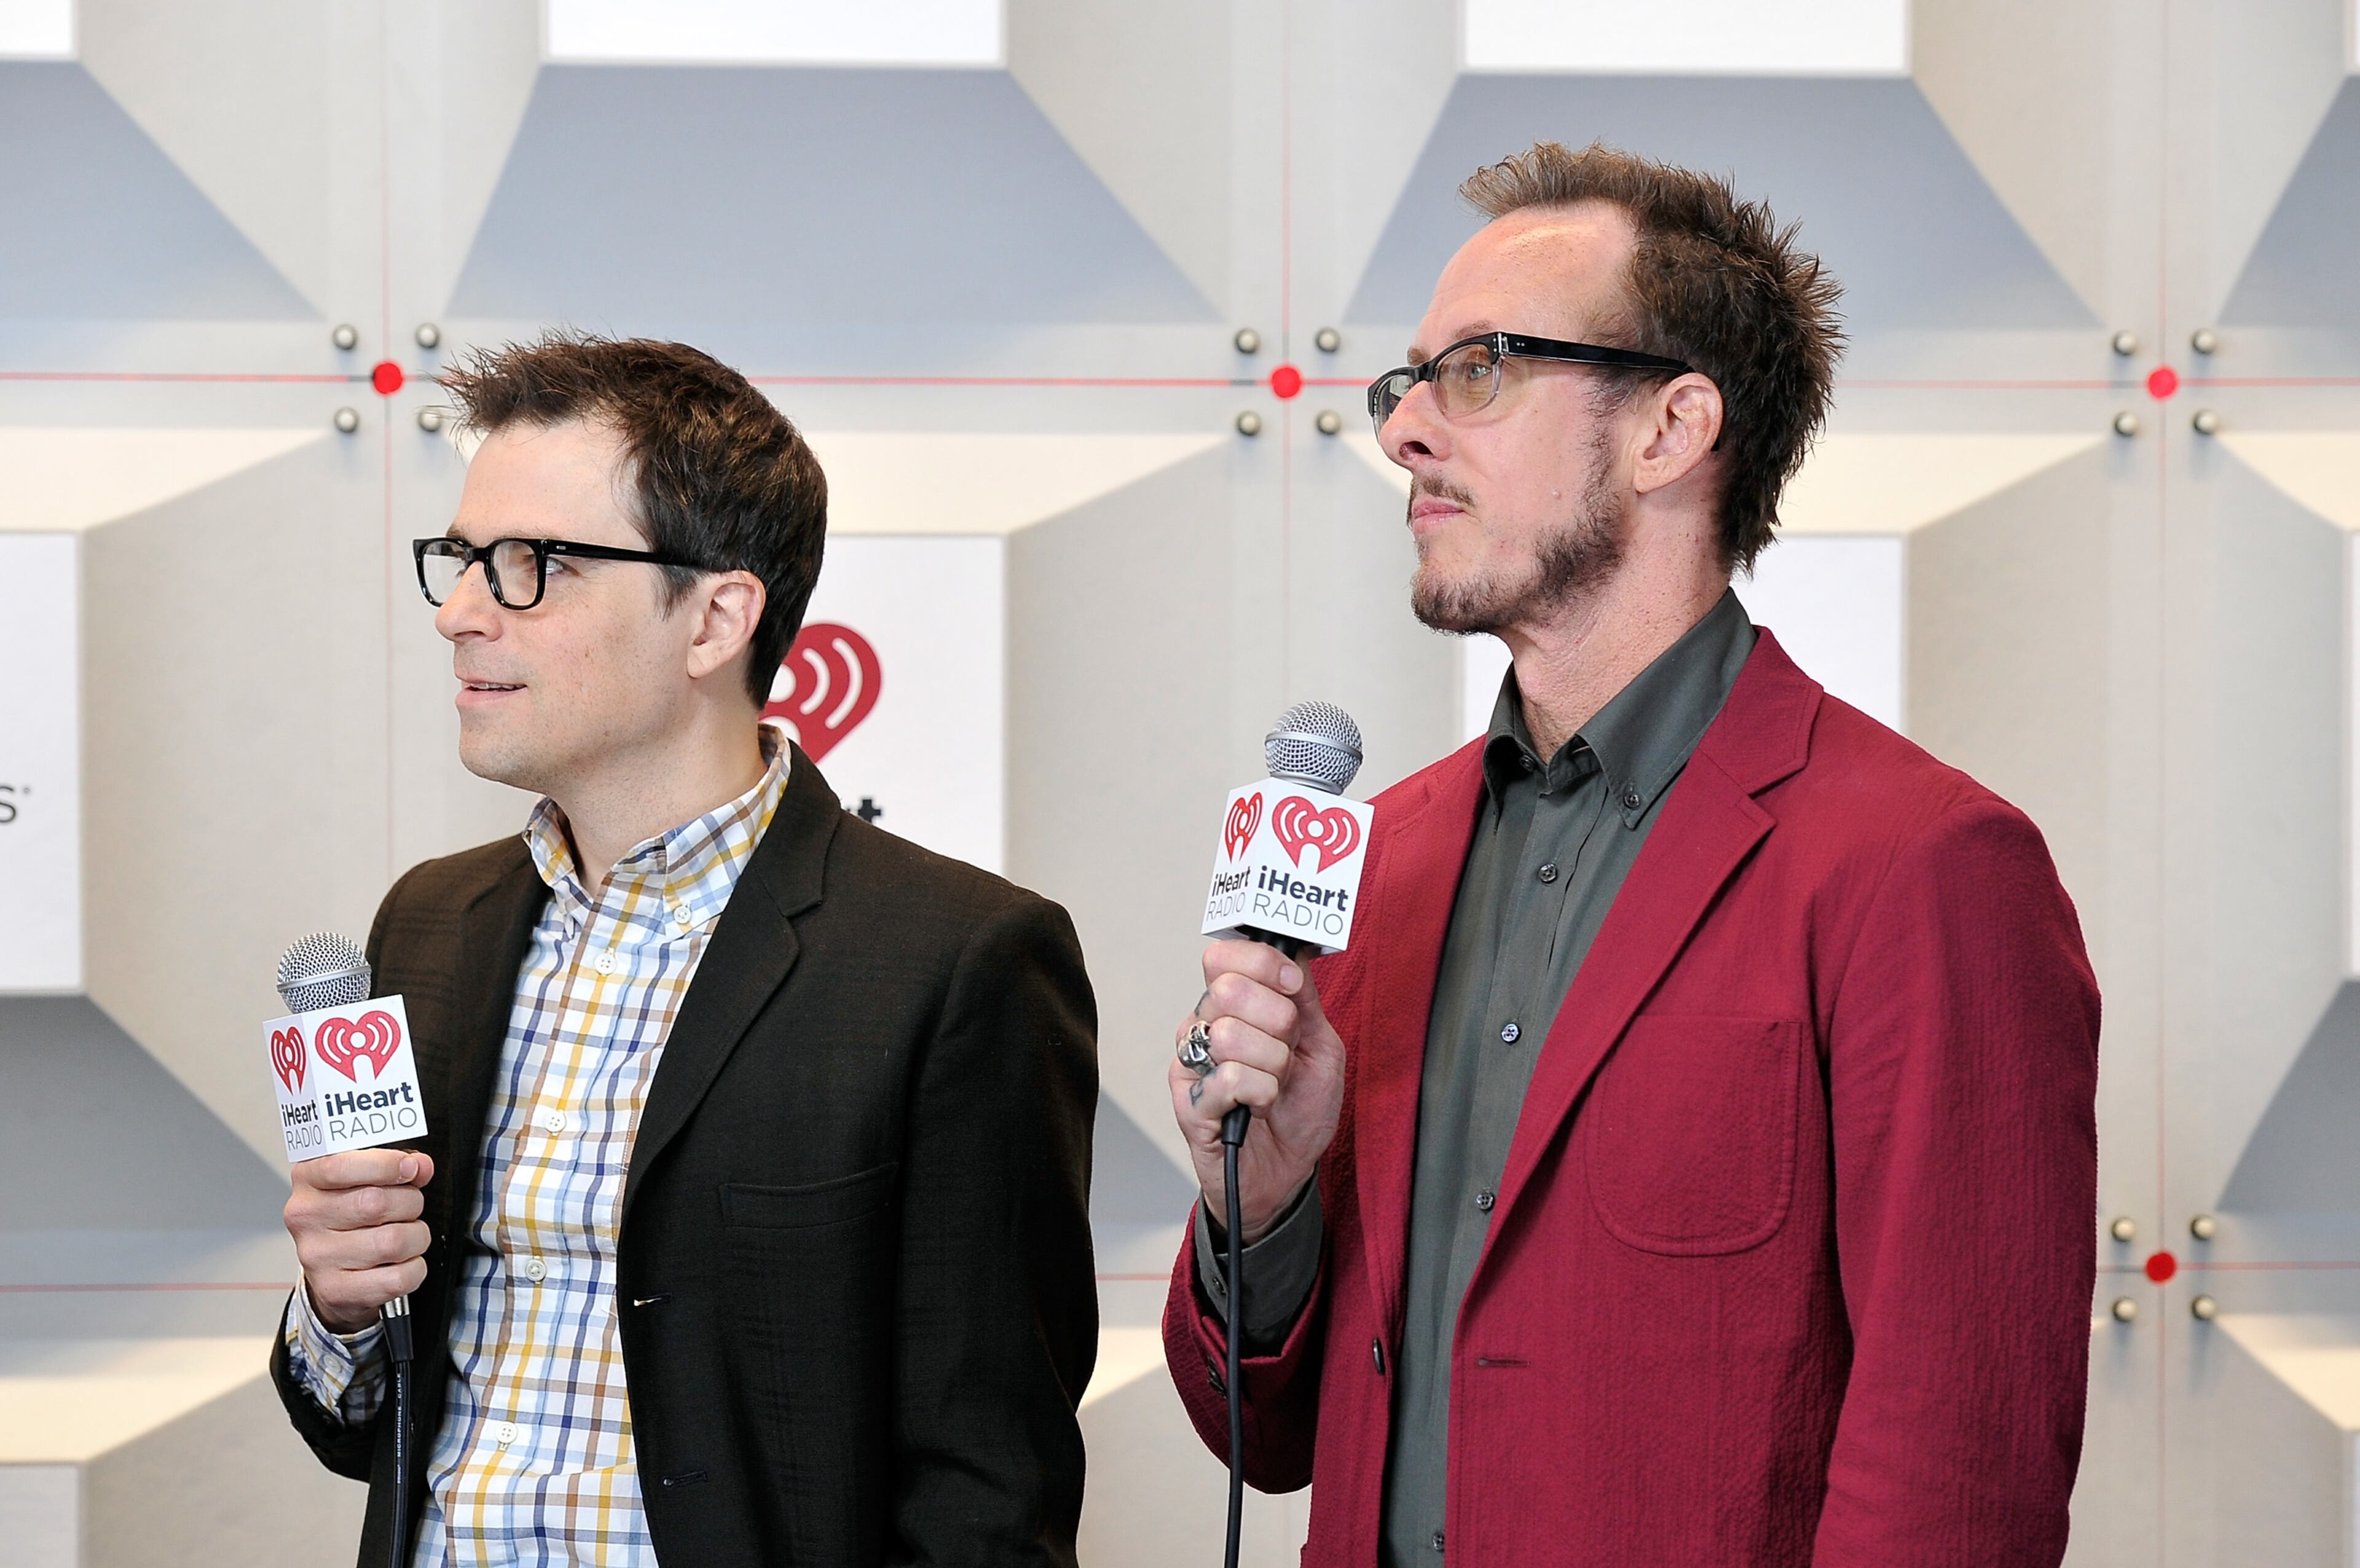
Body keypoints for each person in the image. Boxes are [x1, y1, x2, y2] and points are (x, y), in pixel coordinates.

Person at [1163, 141, 2099, 1566]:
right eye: (1404, 382)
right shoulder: (1381, 858)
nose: (1404, 429)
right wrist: (1271, 1200)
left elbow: (1958, 1478)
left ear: (1672, 428)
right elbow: (1271, 1438)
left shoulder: (1924, 866)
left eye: (1478, 370)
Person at [271, 334, 1099, 1566]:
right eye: (461, 561)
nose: (458, 613)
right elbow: (371, 1433)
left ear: (715, 618)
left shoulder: (957, 962)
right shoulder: (433, 924)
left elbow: (986, 1495)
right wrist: (340, 1308)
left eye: (533, 566)